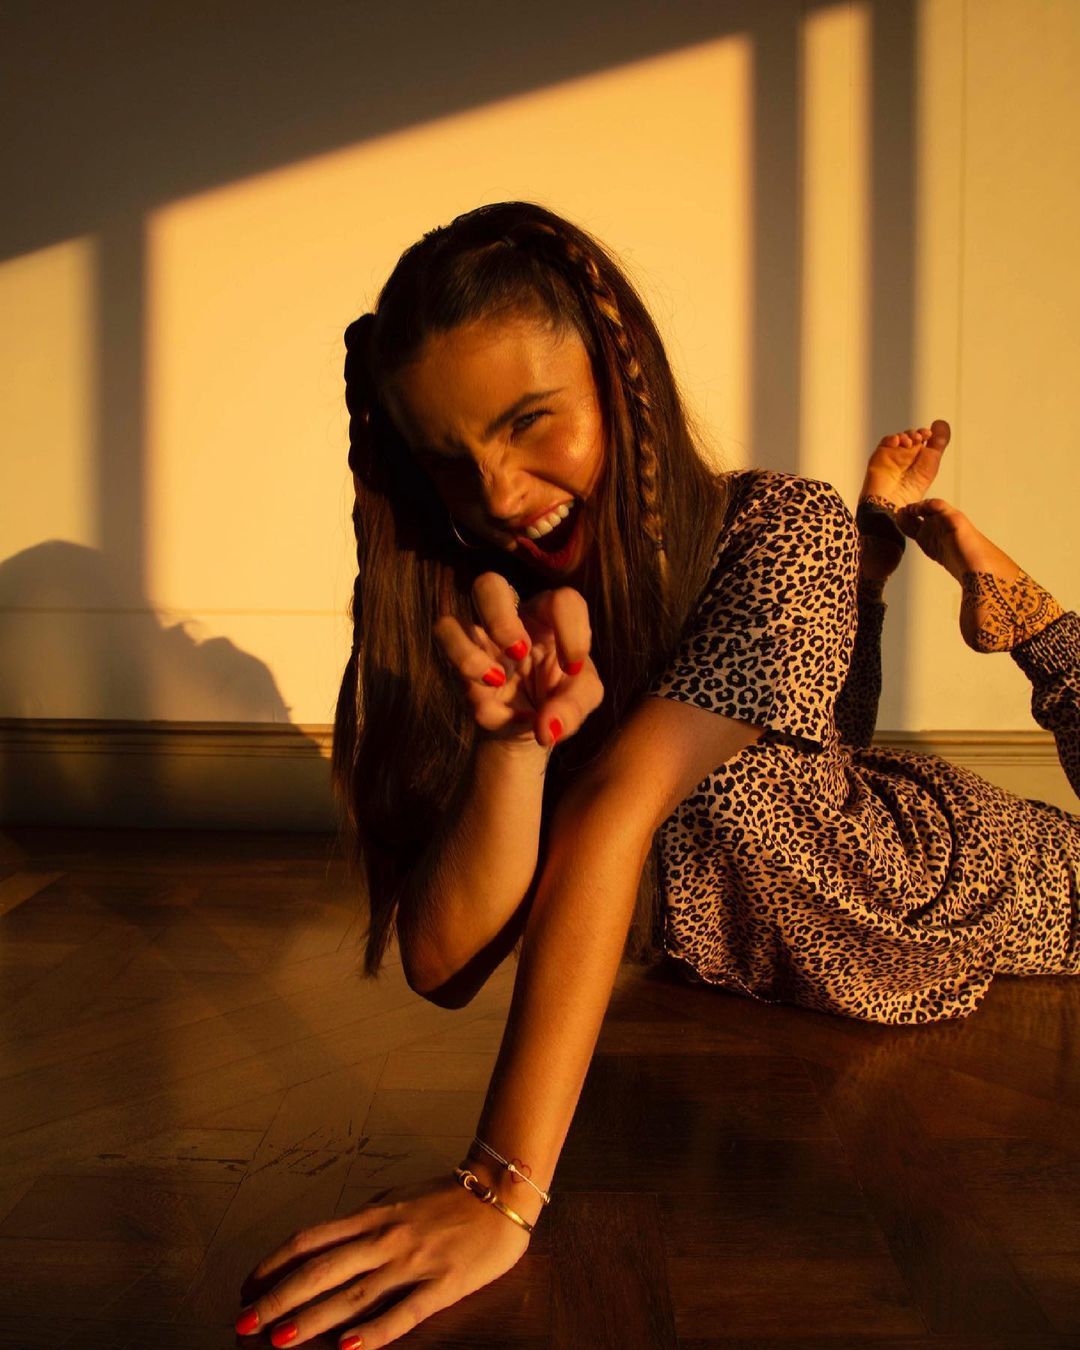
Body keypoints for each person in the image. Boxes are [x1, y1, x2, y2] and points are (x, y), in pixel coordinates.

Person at [235, 201, 1079, 1349]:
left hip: (954, 878)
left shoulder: (779, 524)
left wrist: (499, 1190)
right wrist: (513, 749)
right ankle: (883, 554)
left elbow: (620, 810)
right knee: (786, 764)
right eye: (451, 463)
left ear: (620, 374)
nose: (498, 493)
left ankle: (1024, 612)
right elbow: (443, 962)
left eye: (531, 421)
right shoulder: (493, 608)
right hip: (805, 887)